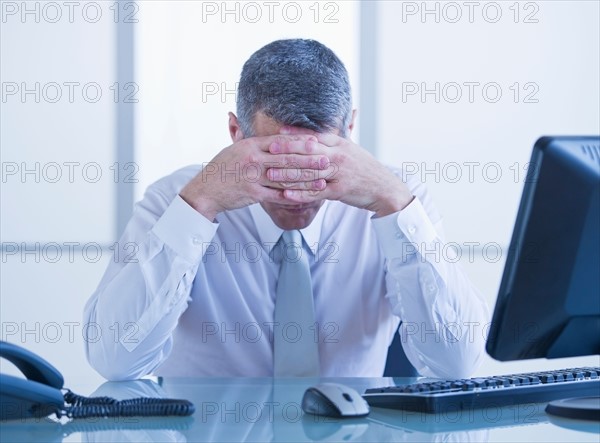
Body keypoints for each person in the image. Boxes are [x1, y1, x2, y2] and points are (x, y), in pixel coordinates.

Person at [84, 39, 489, 380]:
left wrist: (398, 207)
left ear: (349, 131)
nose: (296, 193)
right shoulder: (175, 198)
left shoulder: (398, 200)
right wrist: (197, 206)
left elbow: (455, 365)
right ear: (235, 134)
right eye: (275, 163)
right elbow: (115, 362)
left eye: (316, 164)